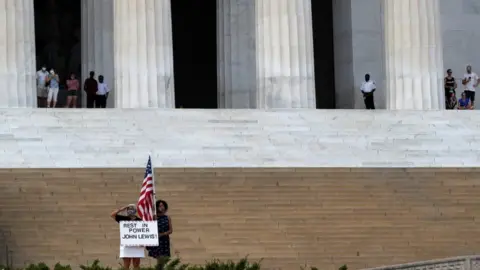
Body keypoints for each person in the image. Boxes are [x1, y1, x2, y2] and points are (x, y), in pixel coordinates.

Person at [111, 204, 144, 270]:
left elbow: (144, 232)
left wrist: (143, 242)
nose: (131, 210)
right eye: (129, 209)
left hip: (137, 244)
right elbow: (112, 215)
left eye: (132, 208)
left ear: (135, 210)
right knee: (126, 265)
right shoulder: (123, 219)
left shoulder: (140, 220)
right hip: (126, 244)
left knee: (136, 265)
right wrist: (122, 209)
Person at [147, 200, 172, 270]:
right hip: (157, 240)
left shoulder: (167, 217)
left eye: (162, 205)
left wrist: (163, 234)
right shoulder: (154, 217)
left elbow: (170, 230)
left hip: (165, 240)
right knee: (160, 258)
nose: (161, 207)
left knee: (163, 259)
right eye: (160, 206)